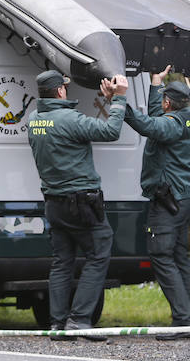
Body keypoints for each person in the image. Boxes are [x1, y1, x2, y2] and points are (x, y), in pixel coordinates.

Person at [27, 69, 129, 341]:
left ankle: (58, 324)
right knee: (98, 253)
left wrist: (106, 102)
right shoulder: (68, 118)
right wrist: (118, 99)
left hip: (54, 203)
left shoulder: (34, 119)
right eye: (65, 88)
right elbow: (109, 132)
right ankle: (80, 319)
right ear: (60, 91)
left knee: (62, 262)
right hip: (81, 202)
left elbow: (80, 131)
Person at [124, 65, 190, 340]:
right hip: (182, 200)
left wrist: (120, 101)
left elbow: (149, 124)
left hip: (167, 204)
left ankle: (183, 320)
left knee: (162, 257)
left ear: (168, 103)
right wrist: (156, 83)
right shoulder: (185, 118)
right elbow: (158, 119)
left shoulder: (171, 124)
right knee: (179, 258)